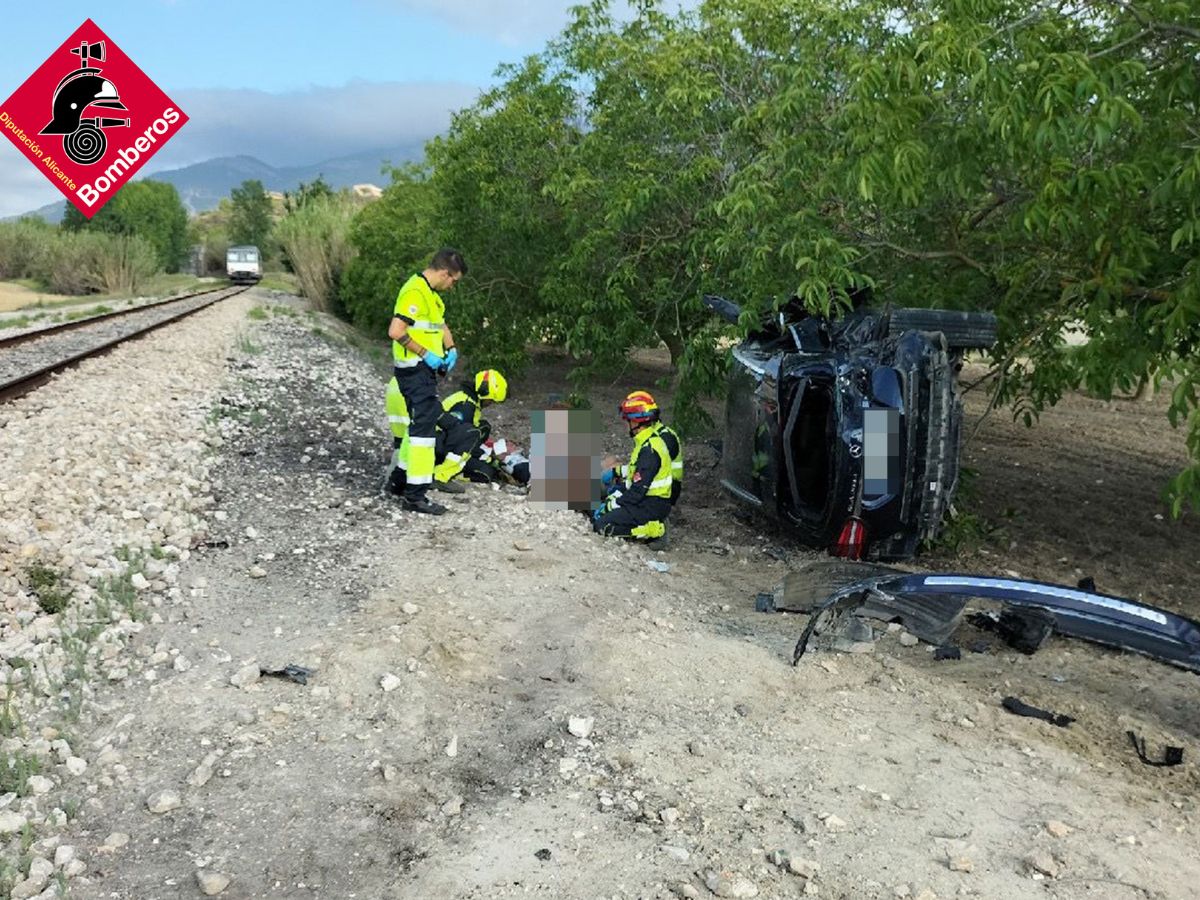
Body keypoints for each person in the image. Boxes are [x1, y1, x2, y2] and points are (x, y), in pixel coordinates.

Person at [386, 248, 466, 515]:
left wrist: (451, 349)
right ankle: (415, 496)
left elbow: (439, 326)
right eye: (453, 280)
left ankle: (398, 481)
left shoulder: (431, 295)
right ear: (445, 273)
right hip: (413, 372)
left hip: (424, 372)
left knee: (418, 426)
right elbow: (396, 331)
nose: (452, 286)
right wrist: (426, 355)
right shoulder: (414, 292)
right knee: (423, 435)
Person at [593, 390, 674, 544]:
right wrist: (615, 473)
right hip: (649, 500)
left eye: (626, 420)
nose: (625, 424)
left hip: (649, 505)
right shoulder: (648, 441)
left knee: (602, 525)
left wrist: (611, 505)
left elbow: (637, 491)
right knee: (609, 502)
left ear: (636, 422)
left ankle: (654, 531)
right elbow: (635, 472)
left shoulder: (649, 451)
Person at [600, 390, 683, 505]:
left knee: (614, 472)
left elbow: (646, 473)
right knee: (612, 462)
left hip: (663, 491)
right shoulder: (652, 433)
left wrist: (620, 492)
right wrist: (616, 471)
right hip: (654, 482)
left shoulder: (663, 439)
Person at [432, 369, 508, 492]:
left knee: (483, 428)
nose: (490, 404)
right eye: (491, 400)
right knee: (474, 434)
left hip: (442, 443)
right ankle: (440, 476)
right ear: (484, 393)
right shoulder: (465, 406)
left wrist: (487, 457)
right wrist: (487, 458)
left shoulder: (471, 402)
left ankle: (451, 471)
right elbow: (464, 438)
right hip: (435, 447)